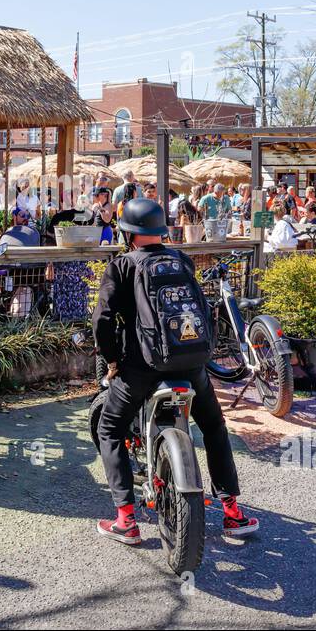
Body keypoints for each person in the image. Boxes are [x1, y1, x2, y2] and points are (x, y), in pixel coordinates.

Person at [91, 198, 260, 544]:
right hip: (191, 364)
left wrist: (111, 360)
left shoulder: (122, 266)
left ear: (128, 233)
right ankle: (232, 512)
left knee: (109, 429)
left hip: (140, 367)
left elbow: (102, 321)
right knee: (214, 426)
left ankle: (126, 519)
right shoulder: (180, 259)